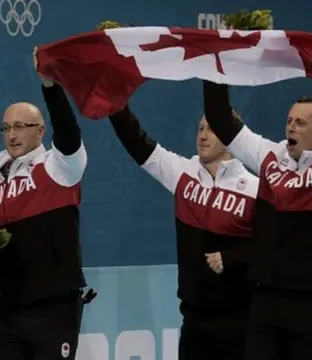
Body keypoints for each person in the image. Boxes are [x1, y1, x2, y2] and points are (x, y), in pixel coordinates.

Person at [201, 80, 312, 360]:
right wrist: (218, 61)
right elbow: (220, 117)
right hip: (267, 300)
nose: (291, 127)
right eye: (289, 120)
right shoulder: (270, 156)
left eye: (301, 123)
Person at [0, 48, 89, 360]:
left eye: (21, 127)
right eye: (6, 128)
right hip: (9, 312)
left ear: (40, 131)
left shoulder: (59, 168)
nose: (12, 135)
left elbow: (70, 135)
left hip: (56, 311)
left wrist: (50, 86)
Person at [107, 101, 258, 359]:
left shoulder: (255, 189)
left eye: (211, 129)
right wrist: (113, 104)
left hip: (240, 321)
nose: (202, 135)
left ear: (232, 137)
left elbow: (274, 247)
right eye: (200, 128)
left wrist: (232, 259)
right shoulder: (183, 173)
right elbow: (138, 143)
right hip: (193, 320)